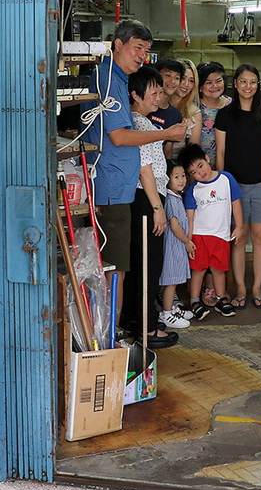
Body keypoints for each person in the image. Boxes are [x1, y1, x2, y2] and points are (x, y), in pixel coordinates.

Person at [84, 20, 182, 344]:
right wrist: (167, 133)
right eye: (137, 47)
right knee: (116, 274)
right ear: (117, 44)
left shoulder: (116, 79)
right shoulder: (109, 80)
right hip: (112, 192)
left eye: (146, 50)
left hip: (118, 190)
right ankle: (109, 343)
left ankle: (110, 338)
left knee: (119, 272)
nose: (142, 55)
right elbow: (120, 136)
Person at [126, 65, 183, 348]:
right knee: (148, 264)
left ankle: (139, 320)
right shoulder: (138, 125)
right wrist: (157, 208)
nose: (159, 97)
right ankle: (146, 328)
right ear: (135, 95)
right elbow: (144, 170)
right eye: (154, 92)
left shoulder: (144, 123)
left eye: (161, 91)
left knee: (143, 263)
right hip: (146, 200)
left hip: (147, 198)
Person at [215, 64, 261, 309]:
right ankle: (241, 288)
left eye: (253, 82)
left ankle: (256, 288)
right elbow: (220, 151)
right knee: (239, 237)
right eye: (243, 81)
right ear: (236, 83)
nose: (248, 86)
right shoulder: (225, 114)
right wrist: (223, 186)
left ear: (258, 85)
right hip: (235, 186)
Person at [178, 143, 242, 318]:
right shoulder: (193, 190)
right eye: (194, 173)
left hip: (221, 235)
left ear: (207, 159)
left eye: (200, 166)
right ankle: (194, 301)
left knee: (218, 269)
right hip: (199, 237)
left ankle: (221, 299)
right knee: (198, 270)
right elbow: (189, 218)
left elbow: (235, 203)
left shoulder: (227, 179)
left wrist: (240, 226)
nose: (200, 173)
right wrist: (188, 241)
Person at [161, 161, 202, 323]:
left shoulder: (177, 197)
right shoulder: (170, 200)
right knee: (171, 282)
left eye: (183, 176)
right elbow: (174, 225)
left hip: (177, 246)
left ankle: (171, 308)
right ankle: (166, 313)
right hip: (174, 246)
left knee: (173, 280)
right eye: (176, 177)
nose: (181, 180)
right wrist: (186, 241)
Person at [150, 58, 187, 159]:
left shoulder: (175, 116)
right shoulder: (143, 106)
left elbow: (167, 151)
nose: (172, 81)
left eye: (177, 78)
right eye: (168, 75)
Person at [197, 61, 230, 166]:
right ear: (200, 87)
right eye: (208, 82)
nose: (215, 86)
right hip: (200, 169)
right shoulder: (194, 108)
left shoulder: (233, 105)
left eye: (218, 81)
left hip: (231, 167)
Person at [171, 58, 201, 160]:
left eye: (191, 81)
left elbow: (193, 153)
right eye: (183, 78)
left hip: (180, 168)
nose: (186, 84)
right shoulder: (155, 104)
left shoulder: (194, 112)